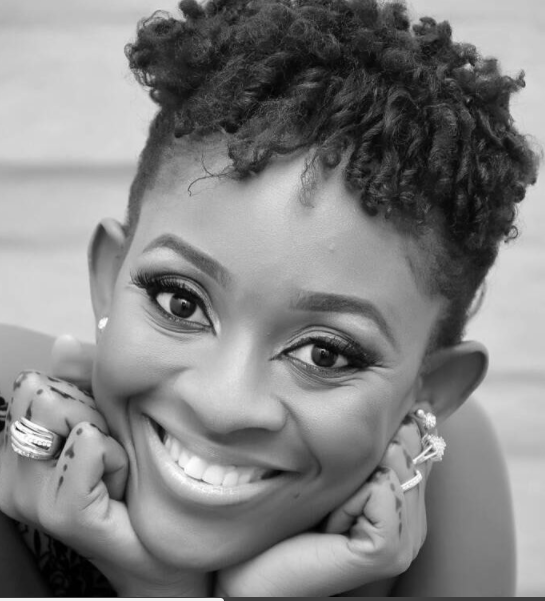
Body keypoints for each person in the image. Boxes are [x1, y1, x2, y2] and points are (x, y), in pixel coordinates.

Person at [0, 0, 538, 595]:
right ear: (109, 277)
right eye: (181, 304)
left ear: (428, 393)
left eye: (324, 354)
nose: (222, 406)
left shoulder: (449, 485)